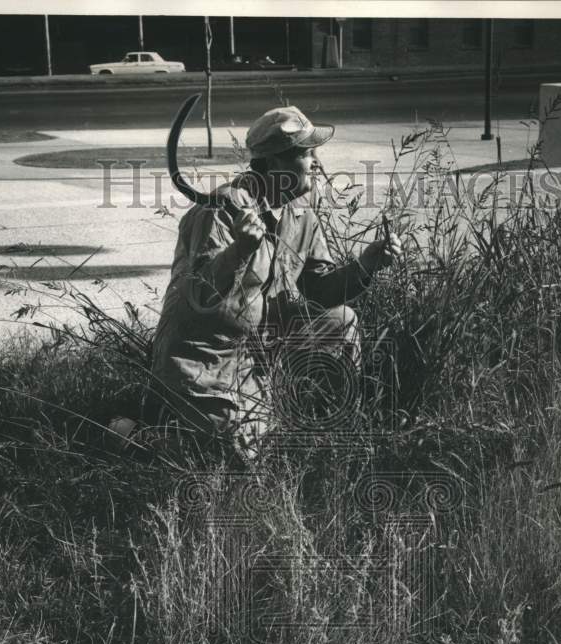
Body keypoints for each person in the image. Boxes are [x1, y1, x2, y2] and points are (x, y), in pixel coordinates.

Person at [112, 105, 401, 463]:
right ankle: (135, 434)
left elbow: (320, 291)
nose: (317, 163)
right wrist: (239, 251)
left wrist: (366, 265)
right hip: (204, 359)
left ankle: (326, 426)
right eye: (307, 153)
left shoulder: (301, 215)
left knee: (343, 321)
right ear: (277, 164)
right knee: (236, 458)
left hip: (261, 352)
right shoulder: (218, 210)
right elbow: (200, 295)